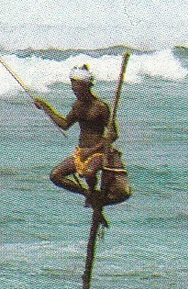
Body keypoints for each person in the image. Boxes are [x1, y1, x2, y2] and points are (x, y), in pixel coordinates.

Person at [35, 65, 130, 208]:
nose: (75, 92)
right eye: (73, 89)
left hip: (98, 152)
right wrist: (45, 107)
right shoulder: (78, 105)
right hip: (81, 152)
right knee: (55, 175)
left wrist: (91, 151)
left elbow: (113, 134)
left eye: (77, 88)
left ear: (86, 86)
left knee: (88, 173)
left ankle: (93, 191)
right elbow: (65, 124)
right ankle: (88, 193)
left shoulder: (100, 107)